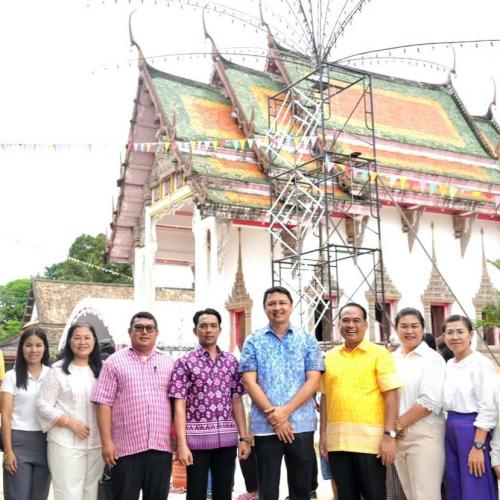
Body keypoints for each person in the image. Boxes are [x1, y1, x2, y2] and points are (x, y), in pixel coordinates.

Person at [239, 286, 324, 500]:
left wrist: (285, 412)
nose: (277, 307)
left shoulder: (307, 339)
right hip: (265, 425)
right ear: (264, 308)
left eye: (282, 303)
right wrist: (274, 416)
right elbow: (249, 382)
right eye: (272, 304)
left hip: (301, 424)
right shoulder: (253, 340)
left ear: (291, 306)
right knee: (267, 488)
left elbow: (313, 380)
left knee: (301, 488)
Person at [319, 302, 402, 500]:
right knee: (345, 496)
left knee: (375, 495)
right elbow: (325, 397)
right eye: (346, 320)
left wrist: (389, 436)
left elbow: (391, 395)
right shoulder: (330, 357)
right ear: (338, 325)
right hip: (338, 443)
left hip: (371, 444)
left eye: (356, 320)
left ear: (365, 324)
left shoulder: (379, 354)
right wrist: (323, 435)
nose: (351, 325)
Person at [92, 311, 175, 500]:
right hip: (125, 449)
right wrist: (107, 443)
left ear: (156, 333)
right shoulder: (114, 362)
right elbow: (103, 403)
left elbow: (176, 403)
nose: (144, 332)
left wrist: (177, 437)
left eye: (149, 328)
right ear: (130, 332)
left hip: (161, 447)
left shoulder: (169, 363)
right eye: (139, 328)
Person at [169, 308, 250, 500]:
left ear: (220, 330)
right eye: (203, 326)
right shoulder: (184, 362)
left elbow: (236, 400)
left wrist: (243, 438)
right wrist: (182, 444)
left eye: (213, 326)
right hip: (196, 443)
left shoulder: (231, 361)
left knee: (224, 493)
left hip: (227, 441)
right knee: (196, 493)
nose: (208, 330)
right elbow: (179, 405)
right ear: (195, 330)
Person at [37, 323, 103, 500]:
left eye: (87, 338)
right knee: (68, 494)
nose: (82, 342)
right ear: (69, 341)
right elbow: (42, 404)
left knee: (92, 494)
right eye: (77, 338)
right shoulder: (58, 370)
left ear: (94, 341)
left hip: (97, 443)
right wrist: (70, 422)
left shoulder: (103, 369)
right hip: (65, 443)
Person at [391, 307, 446, 500]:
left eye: (414, 326)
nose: (409, 331)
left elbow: (429, 401)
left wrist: (395, 426)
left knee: (425, 494)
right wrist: (392, 429)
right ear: (396, 329)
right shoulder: (392, 359)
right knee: (410, 494)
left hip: (425, 436)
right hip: (398, 437)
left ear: (423, 328)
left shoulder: (432, 359)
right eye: (404, 326)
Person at [442, 314, 498, 500]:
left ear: (471, 335)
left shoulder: (481, 363)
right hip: (450, 430)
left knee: (475, 486)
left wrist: (478, 446)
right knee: (455, 487)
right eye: (450, 332)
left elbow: (488, 407)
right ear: (444, 336)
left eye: (460, 332)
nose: (455, 337)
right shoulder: (449, 364)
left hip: (472, 430)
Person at [1, 326, 51, 500]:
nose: (33, 350)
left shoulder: (53, 375)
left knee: (40, 496)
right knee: (17, 496)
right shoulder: (11, 376)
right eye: (29, 345)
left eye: (38, 345)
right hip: (18, 443)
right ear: (21, 347)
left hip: (46, 443)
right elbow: (5, 416)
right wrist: (8, 451)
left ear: (45, 348)